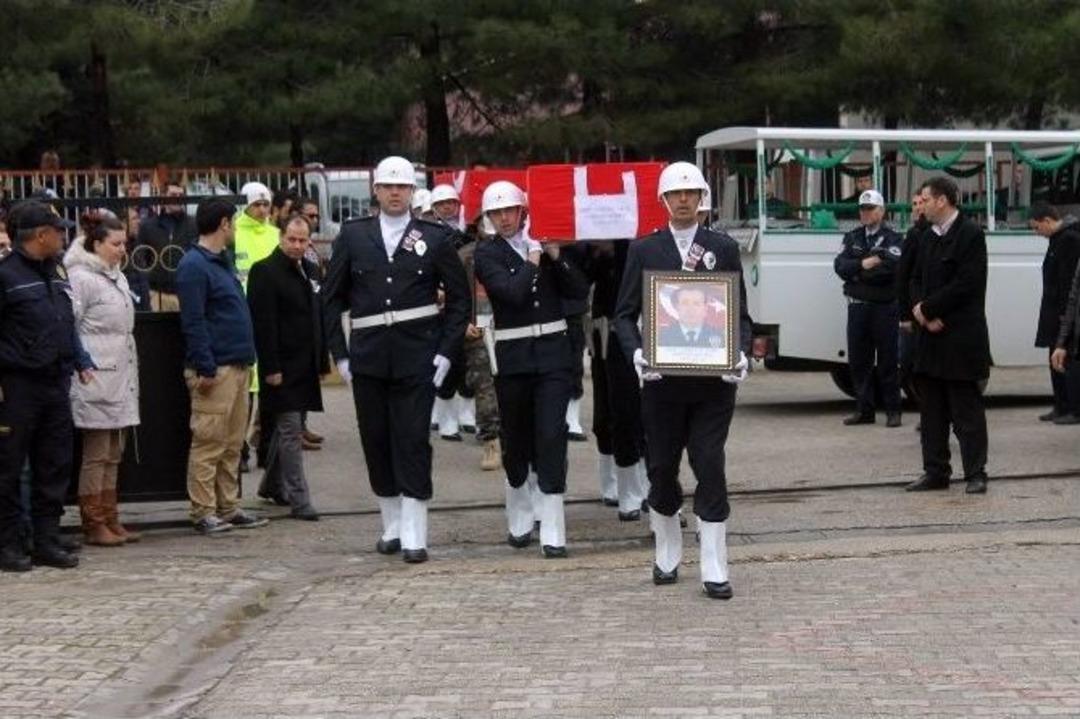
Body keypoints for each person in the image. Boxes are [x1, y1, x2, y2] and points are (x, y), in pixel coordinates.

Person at [614, 162, 752, 600]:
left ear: (702, 198)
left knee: (709, 462)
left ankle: (714, 564)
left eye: (691, 192)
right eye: (676, 193)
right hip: (662, 384)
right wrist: (637, 353)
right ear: (663, 200)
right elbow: (623, 316)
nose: (684, 199)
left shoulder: (722, 247)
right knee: (661, 468)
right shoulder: (644, 250)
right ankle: (667, 549)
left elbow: (740, 314)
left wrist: (742, 354)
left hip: (712, 386)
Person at [323, 155, 469, 563]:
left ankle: (414, 529)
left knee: (412, 439)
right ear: (375, 191)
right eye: (387, 186)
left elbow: (459, 301)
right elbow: (330, 300)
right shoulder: (353, 236)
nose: (394, 192)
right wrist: (341, 355)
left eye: (401, 187)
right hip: (368, 356)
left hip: (417, 354)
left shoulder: (434, 237)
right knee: (376, 439)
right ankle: (390, 522)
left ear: (411, 192)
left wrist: (445, 351)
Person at [474, 180, 589, 558]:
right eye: (497, 212)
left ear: (523, 210)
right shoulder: (487, 254)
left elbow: (577, 290)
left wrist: (556, 254)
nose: (505, 218)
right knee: (517, 437)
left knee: (551, 434)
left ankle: (554, 526)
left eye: (510, 210)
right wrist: (533, 259)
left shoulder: (544, 243)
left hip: (553, 353)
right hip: (514, 356)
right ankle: (520, 508)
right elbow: (511, 294)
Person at [0, 202, 94, 571]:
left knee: (54, 464)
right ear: (41, 235)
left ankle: (46, 540)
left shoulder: (56, 270)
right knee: (8, 468)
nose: (63, 236)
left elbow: (65, 321)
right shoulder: (6, 275)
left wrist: (77, 360)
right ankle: (8, 544)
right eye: (58, 230)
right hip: (17, 385)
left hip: (56, 381)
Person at [175, 197, 269, 534]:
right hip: (216, 369)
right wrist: (205, 366)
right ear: (224, 224)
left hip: (238, 365)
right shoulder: (194, 266)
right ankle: (203, 511)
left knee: (231, 443)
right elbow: (194, 321)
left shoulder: (220, 261)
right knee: (209, 442)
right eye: (232, 221)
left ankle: (228, 506)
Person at [905, 177, 990, 495]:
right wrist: (920, 311)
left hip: (960, 337)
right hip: (930, 337)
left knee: (966, 411)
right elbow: (914, 277)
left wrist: (929, 308)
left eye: (925, 199)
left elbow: (967, 283)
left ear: (942, 201)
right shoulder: (927, 237)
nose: (921, 205)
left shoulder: (970, 234)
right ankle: (935, 471)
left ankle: (976, 472)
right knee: (932, 412)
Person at [66, 212, 141, 547]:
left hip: (120, 377)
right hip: (95, 377)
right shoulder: (81, 278)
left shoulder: (117, 276)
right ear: (97, 244)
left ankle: (110, 515)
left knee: (114, 451)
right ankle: (93, 520)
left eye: (124, 243)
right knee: (96, 453)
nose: (122, 250)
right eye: (115, 244)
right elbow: (70, 324)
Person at [247, 215, 328, 521]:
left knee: (287, 430)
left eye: (302, 240)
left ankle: (271, 485)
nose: (296, 245)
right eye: (291, 239)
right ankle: (299, 498)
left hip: (304, 365)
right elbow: (263, 324)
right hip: (280, 367)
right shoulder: (264, 271)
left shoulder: (309, 269)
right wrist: (270, 366)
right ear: (280, 237)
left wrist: (321, 361)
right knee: (291, 431)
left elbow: (316, 317)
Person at [587, 240, 648, 518]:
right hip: (611, 331)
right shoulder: (601, 247)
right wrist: (599, 250)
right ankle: (627, 490)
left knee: (658, 416)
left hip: (656, 326)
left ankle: (654, 486)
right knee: (617, 412)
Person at [833, 189, 904, 427]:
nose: (865, 214)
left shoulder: (893, 238)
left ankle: (893, 410)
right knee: (859, 361)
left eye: (870, 209)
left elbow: (890, 269)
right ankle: (864, 409)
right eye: (862, 209)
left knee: (887, 361)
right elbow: (840, 266)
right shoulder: (852, 237)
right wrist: (865, 263)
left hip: (884, 308)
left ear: (881, 211)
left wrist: (857, 273)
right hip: (858, 308)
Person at [1029, 203, 1080, 424]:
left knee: (1066, 361)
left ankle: (1073, 407)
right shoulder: (1057, 240)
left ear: (1048, 221)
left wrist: (1064, 316)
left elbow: (1069, 281)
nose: (1036, 233)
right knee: (1054, 359)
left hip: (1062, 313)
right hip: (1054, 312)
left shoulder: (1069, 240)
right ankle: (1060, 405)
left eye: (1036, 227)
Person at [134, 180, 198, 312]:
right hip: (158, 293)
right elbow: (140, 257)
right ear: (164, 196)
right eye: (173, 195)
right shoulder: (148, 226)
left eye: (181, 196)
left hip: (187, 291)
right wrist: (149, 281)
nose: (178, 199)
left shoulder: (194, 225)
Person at [896, 193, 930, 400]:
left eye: (922, 203)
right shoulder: (914, 234)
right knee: (911, 362)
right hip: (915, 311)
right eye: (914, 204)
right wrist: (905, 314)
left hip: (933, 308)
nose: (918, 208)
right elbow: (903, 276)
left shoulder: (936, 233)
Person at [658, 285, 725, 348]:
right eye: (685, 303)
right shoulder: (662, 336)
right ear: (676, 307)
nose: (690, 309)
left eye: (696, 303)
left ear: (705, 308)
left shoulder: (720, 335)